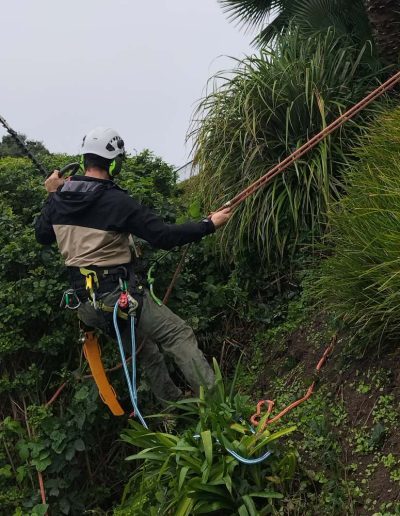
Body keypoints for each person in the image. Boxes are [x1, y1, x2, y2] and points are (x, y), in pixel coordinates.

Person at [34, 127, 231, 402]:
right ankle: (218, 410)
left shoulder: (59, 200)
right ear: (113, 162)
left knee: (144, 350)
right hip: (118, 297)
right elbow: (163, 236)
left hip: (86, 305)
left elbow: (42, 235)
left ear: (84, 160)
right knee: (177, 334)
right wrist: (208, 225)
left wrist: (53, 194)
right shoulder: (117, 201)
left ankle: (172, 412)